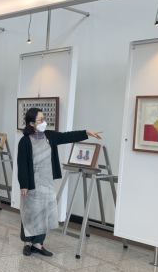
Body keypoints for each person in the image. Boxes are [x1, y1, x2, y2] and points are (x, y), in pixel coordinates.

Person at [17, 107, 103, 257]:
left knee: (44, 212)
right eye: (41, 120)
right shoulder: (24, 141)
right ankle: (27, 242)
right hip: (32, 182)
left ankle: (38, 244)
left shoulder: (50, 136)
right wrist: (24, 184)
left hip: (47, 181)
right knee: (30, 212)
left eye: (44, 118)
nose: (44, 122)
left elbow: (67, 136)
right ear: (32, 123)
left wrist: (87, 132)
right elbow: (22, 164)